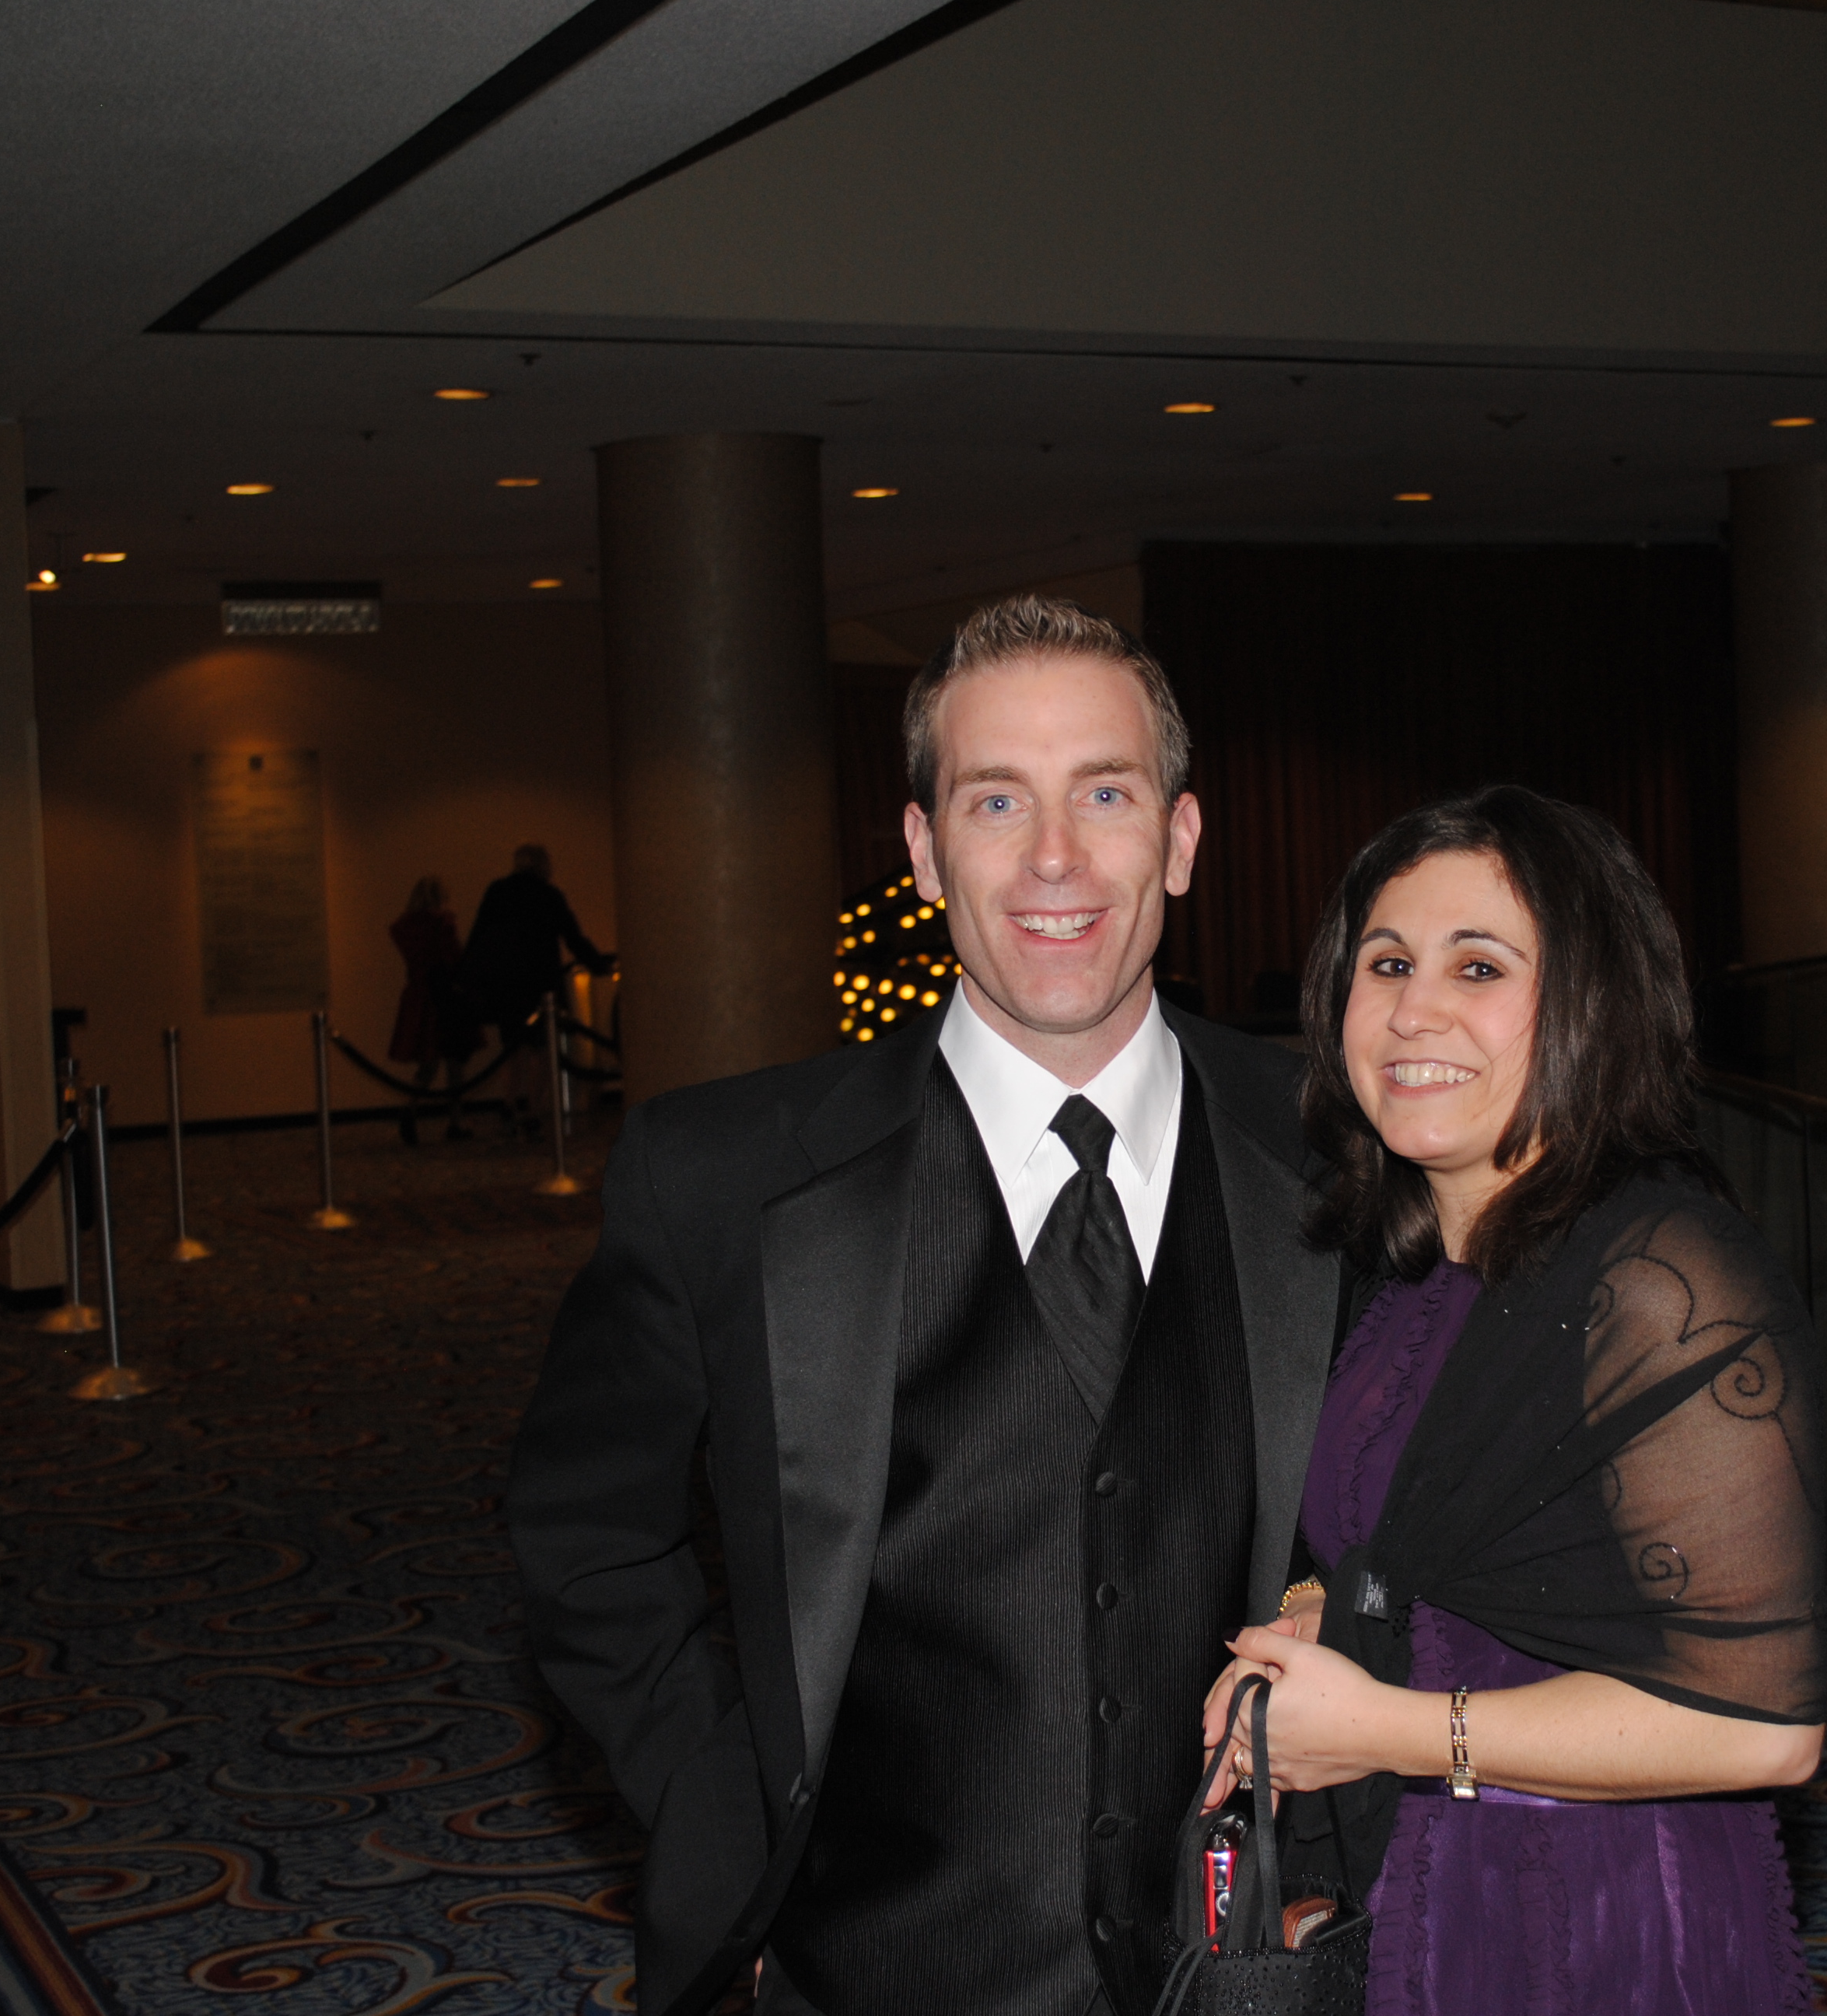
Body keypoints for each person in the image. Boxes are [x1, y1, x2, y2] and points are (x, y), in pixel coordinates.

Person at [508, 596, 1345, 2016]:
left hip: (1257, 1961)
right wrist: (734, 1837)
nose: (1054, 856)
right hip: (871, 1971)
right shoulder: (721, 1176)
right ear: (922, 848)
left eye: (1104, 793)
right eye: (995, 799)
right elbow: (586, 1541)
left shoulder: (1338, 1152)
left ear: (1181, 838)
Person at [1199, 786, 1825, 2016]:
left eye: (1478, 966)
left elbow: (1764, 1730)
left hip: (1599, 1911)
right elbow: (1439, 1542)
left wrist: (1386, 1730)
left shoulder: (1662, 1277)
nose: (1413, 1009)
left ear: (1592, 1001)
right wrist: (1321, 1612)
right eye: (1387, 963)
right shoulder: (1417, 1268)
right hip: (1426, 1867)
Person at [457, 843, 606, 1136]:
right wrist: (598, 964)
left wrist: (467, 976)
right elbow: (572, 936)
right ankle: (533, 1110)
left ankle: (509, 1103)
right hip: (540, 984)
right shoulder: (548, 895)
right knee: (541, 1049)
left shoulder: (498, 892)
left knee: (511, 1048)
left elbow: (479, 934)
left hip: (505, 985)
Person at [388, 876, 478, 1145]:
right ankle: (456, 1121)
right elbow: (455, 957)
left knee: (428, 1064)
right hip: (445, 995)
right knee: (454, 1062)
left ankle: (410, 1108)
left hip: (418, 995)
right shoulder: (442, 923)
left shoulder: (403, 927)